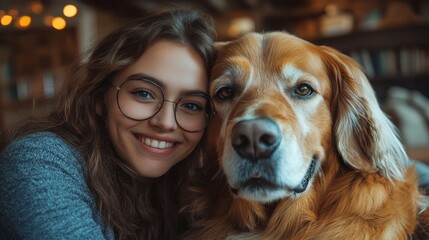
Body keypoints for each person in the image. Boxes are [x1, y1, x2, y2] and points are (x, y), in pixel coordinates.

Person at [0, 8, 216, 239]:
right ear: (100, 97)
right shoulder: (40, 161)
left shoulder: (187, 187)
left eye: (192, 105)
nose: (165, 122)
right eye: (144, 93)